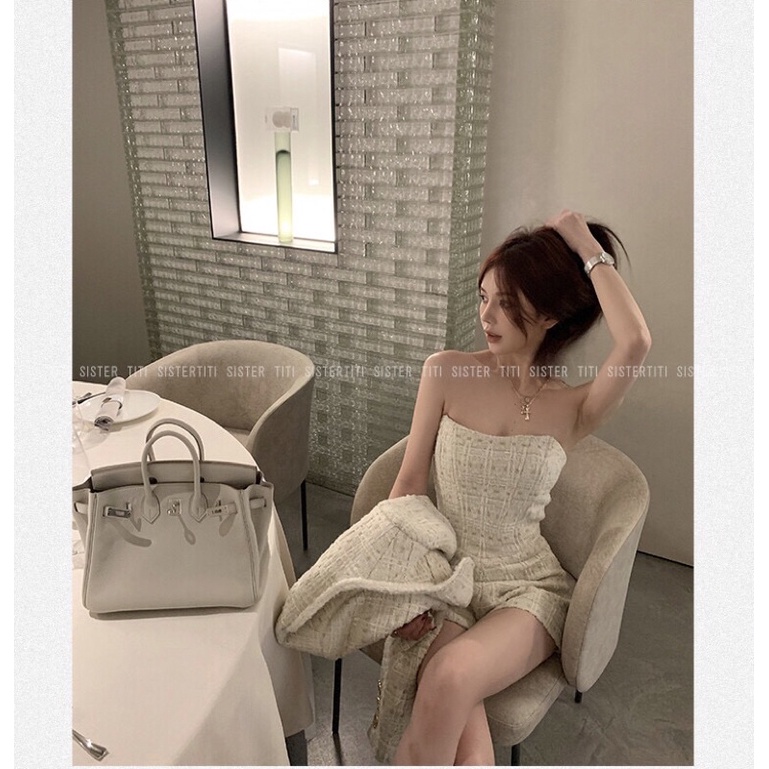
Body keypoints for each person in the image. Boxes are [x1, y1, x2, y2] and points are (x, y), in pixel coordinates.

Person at [387, 209, 651, 765]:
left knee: (451, 675)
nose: (486, 315)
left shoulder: (575, 407)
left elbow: (635, 343)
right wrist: (408, 583)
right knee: (452, 698)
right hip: (447, 576)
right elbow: (408, 485)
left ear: (550, 315)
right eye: (483, 297)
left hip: (527, 587)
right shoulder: (446, 371)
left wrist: (583, 244)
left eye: (506, 302)